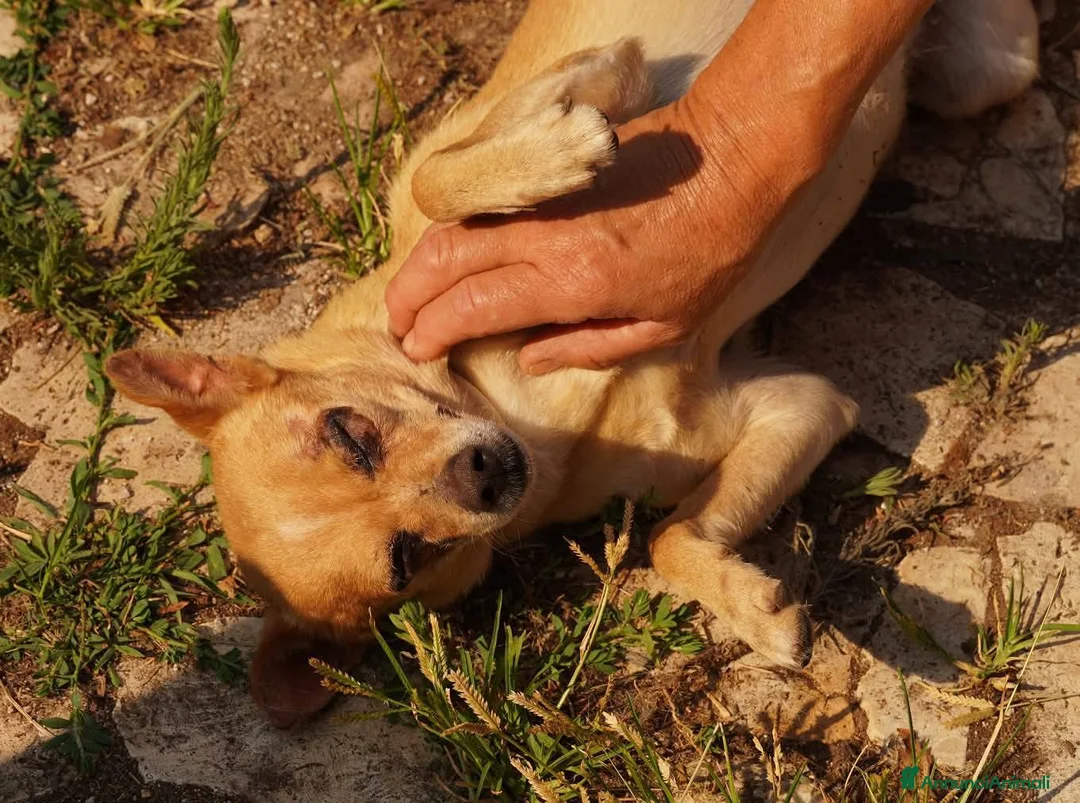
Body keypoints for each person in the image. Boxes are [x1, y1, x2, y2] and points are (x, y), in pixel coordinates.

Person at [385, 0, 934, 375]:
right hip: (900, 43)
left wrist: (732, 160)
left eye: (355, 441)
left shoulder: (427, 204)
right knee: (974, 75)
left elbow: (612, 72)